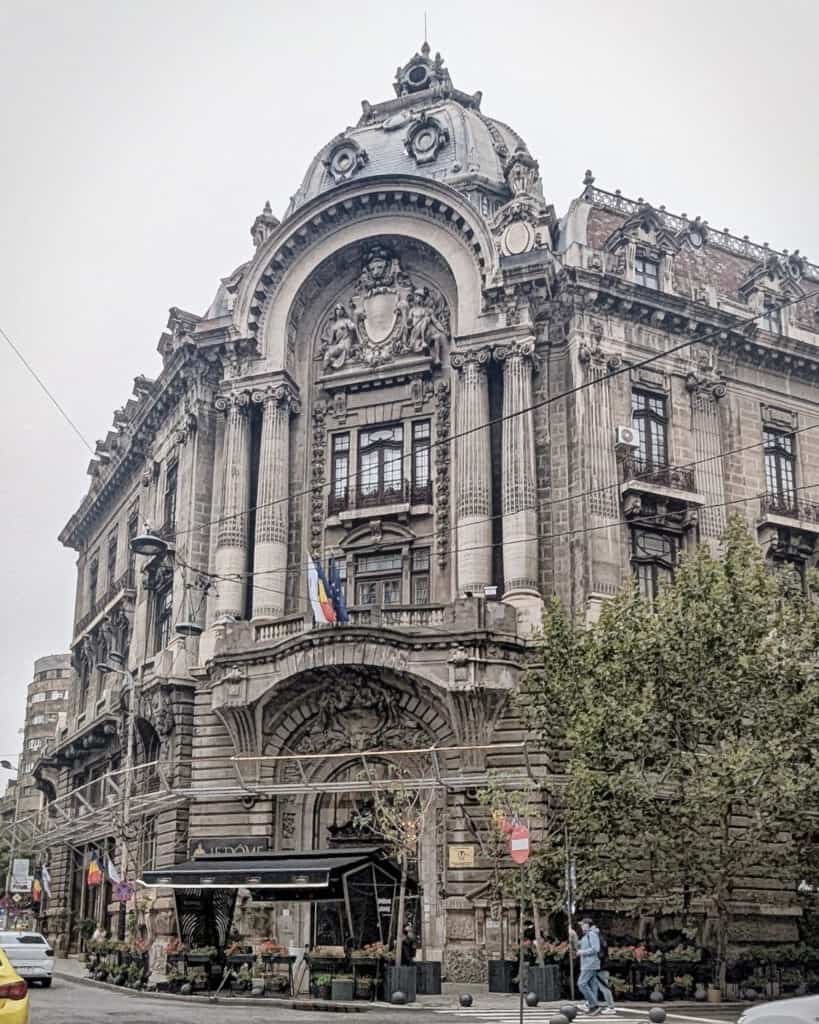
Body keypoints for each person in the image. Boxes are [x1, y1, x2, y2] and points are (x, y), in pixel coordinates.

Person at [570, 916, 615, 1016]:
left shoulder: (592, 934)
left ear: (587, 925)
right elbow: (578, 945)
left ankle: (594, 1005)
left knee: (581, 984)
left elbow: (596, 949)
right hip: (587, 964)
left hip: (591, 964)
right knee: (592, 986)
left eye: (582, 925)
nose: (581, 927)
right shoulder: (586, 935)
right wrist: (573, 935)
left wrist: (581, 952)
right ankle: (592, 1006)